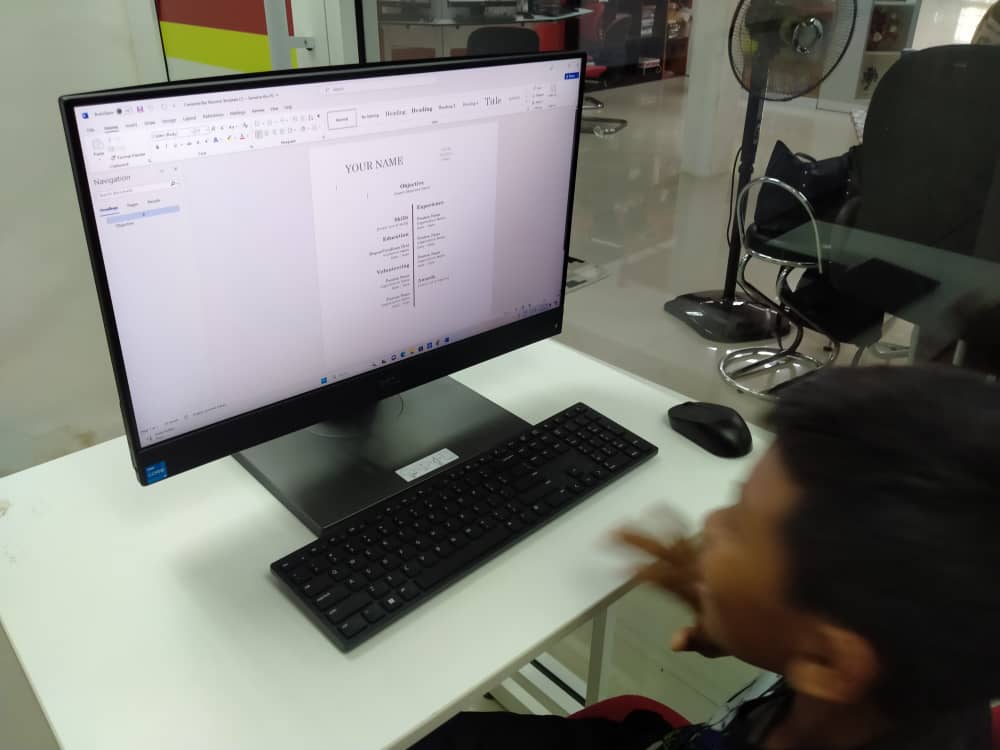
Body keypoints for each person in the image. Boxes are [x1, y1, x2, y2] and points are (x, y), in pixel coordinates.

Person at [411, 365, 999, 750]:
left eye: (739, 525)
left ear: (827, 660)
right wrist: (740, 625)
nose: (711, 524)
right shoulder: (926, 686)